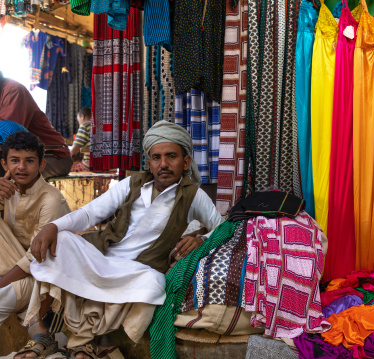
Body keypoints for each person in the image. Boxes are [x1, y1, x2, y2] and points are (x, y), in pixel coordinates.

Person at [14, 120, 223, 359]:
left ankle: (87, 340)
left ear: (185, 162)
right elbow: (90, 213)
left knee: (154, 285)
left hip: (137, 270)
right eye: (156, 158)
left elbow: (222, 227)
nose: (163, 164)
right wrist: (52, 226)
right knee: (61, 241)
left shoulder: (193, 195)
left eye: (171, 156)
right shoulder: (133, 184)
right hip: (101, 257)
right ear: (149, 162)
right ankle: (41, 331)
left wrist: (203, 240)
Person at [0, 131, 70, 328]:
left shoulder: (51, 199)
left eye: (29, 161)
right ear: (4, 165)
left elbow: (35, 257)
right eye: (14, 160)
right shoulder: (8, 189)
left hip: (43, 275)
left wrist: (2, 283)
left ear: (41, 165)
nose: (21, 167)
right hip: (14, 267)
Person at [0, 71, 72, 178]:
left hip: (52, 157)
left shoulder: (13, 91)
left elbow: (8, 137)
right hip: (22, 156)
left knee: (8, 175)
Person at [70, 108, 91, 172]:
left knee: (63, 169)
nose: (79, 123)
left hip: (89, 165)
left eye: (78, 120)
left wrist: (65, 157)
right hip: (106, 165)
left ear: (82, 116)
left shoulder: (85, 126)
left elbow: (74, 150)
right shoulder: (102, 125)